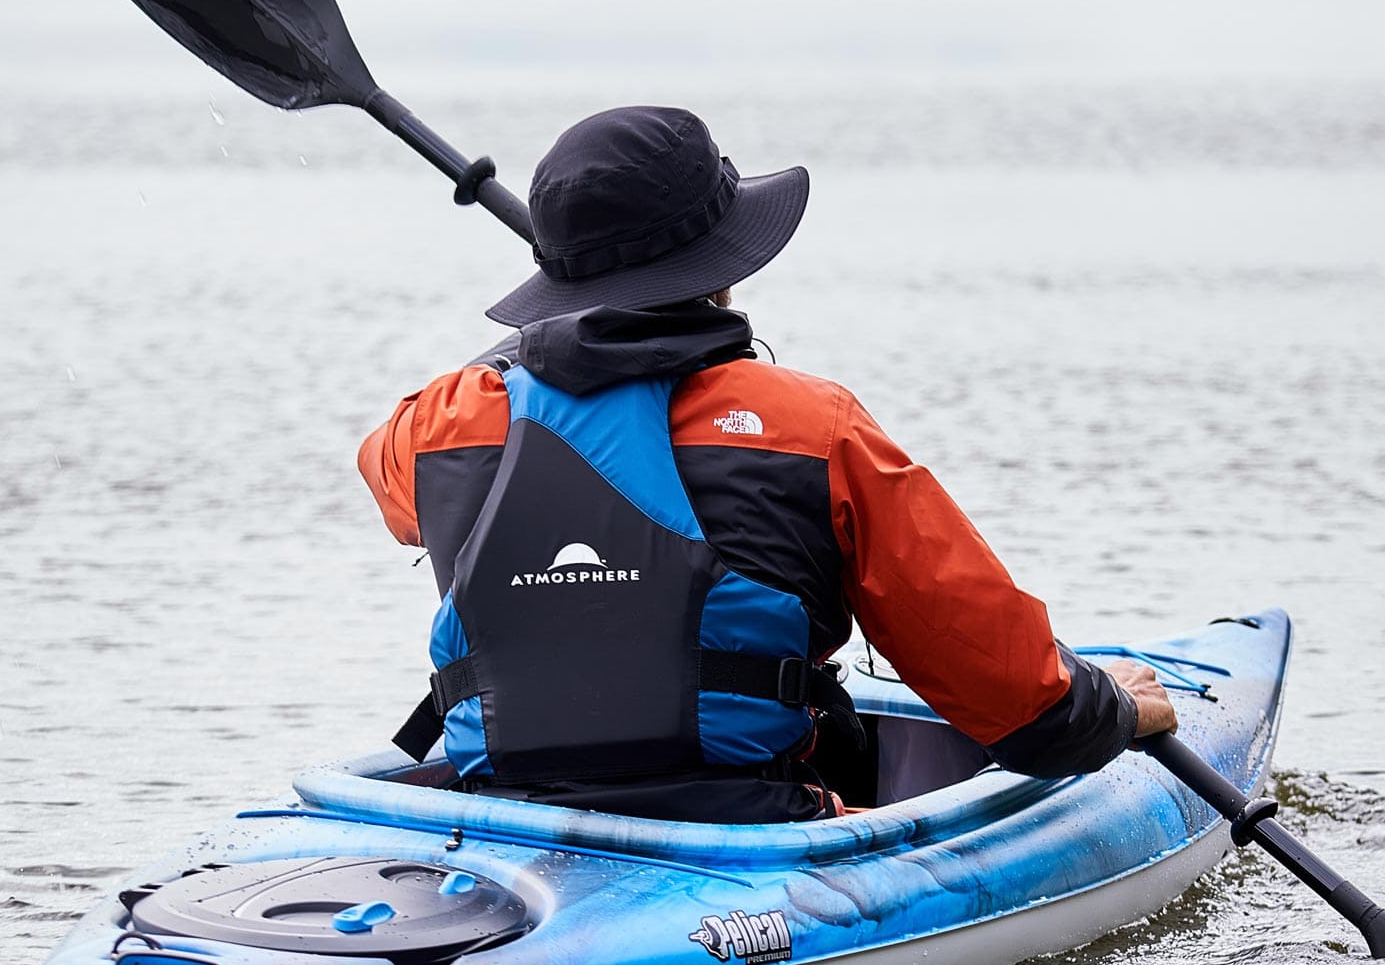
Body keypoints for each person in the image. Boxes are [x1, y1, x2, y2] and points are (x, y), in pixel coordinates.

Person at [358, 105, 1176, 823]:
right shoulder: (812, 426)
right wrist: (1109, 710)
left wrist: (550, 344)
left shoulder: (440, 423)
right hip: (748, 823)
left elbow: (388, 468)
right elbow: (1017, 705)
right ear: (726, 264)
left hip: (507, 818)